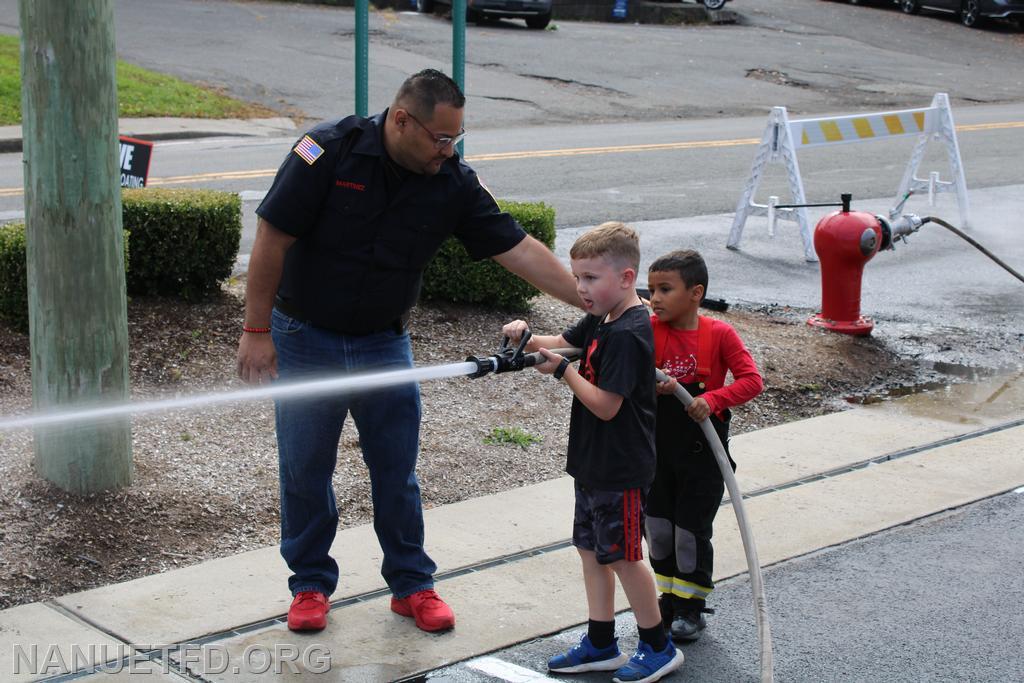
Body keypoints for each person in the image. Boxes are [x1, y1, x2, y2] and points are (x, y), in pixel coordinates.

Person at [236, 69, 580, 634]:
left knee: (395, 469)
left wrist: (605, 303)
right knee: (305, 467)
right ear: (401, 120)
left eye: (456, 140)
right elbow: (272, 237)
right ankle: (310, 586)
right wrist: (256, 331)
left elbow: (519, 250)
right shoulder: (327, 151)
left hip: (383, 341)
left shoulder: (450, 182)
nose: (449, 151)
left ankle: (412, 584)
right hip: (304, 337)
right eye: (441, 138)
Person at [502, 222, 685, 683]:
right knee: (591, 550)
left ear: (625, 278)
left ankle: (659, 646)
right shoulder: (603, 316)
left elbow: (605, 405)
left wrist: (564, 369)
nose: (581, 288)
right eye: (578, 277)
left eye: (591, 279)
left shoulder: (628, 331)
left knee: (624, 557)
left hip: (620, 466)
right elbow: (558, 346)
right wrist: (524, 337)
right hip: (593, 462)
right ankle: (602, 642)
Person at [644, 249, 763, 643]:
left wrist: (712, 400)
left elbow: (751, 381)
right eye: (652, 289)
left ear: (695, 293)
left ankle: (691, 607)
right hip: (655, 453)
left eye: (665, 289)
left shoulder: (718, 335)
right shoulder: (647, 329)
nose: (655, 298)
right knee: (658, 528)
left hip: (702, 455)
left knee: (689, 534)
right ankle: (667, 598)